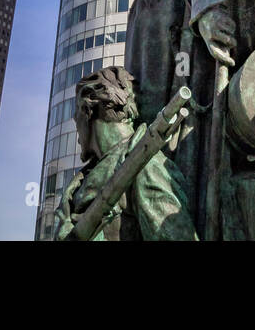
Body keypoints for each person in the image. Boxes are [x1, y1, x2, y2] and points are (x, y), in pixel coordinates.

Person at [54, 66, 195, 241]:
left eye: (76, 113)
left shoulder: (145, 165)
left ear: (88, 104)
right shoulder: (82, 182)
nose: (75, 121)